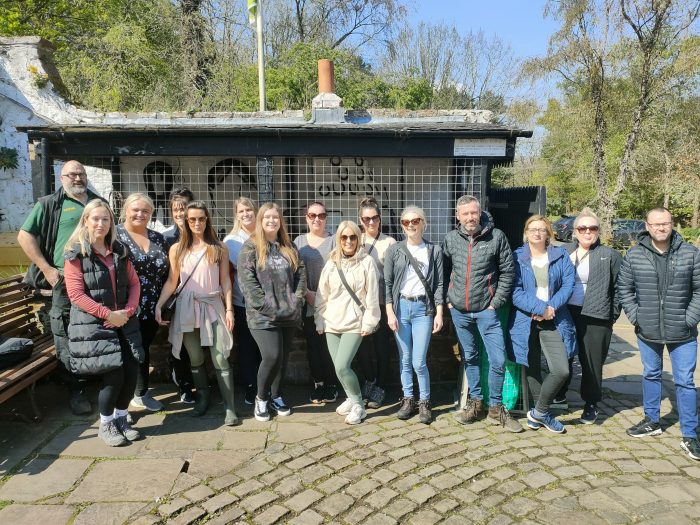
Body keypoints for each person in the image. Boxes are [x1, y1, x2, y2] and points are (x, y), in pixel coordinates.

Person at [17, 160, 106, 415]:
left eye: (82, 174)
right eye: (72, 174)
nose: (78, 178)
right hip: (65, 280)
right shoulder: (49, 204)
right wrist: (46, 268)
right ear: (61, 177)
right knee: (66, 332)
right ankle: (75, 390)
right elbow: (25, 236)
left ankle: (98, 382)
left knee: (95, 330)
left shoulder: (98, 203)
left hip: (96, 277)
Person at [617, 207, 700, 460]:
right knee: (651, 374)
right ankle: (652, 421)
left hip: (683, 332)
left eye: (665, 223)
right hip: (648, 329)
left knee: (685, 381)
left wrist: (690, 319)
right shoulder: (635, 255)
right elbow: (625, 289)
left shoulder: (690, 254)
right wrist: (636, 316)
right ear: (647, 226)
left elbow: (699, 289)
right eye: (656, 224)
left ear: (671, 224)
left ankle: (690, 434)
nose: (661, 228)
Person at [63, 199, 144, 446]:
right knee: (114, 375)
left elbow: (134, 283)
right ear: (86, 221)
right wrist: (109, 315)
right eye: (95, 219)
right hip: (95, 324)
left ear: (111, 223)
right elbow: (76, 295)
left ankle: (121, 419)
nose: (101, 224)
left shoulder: (119, 251)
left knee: (131, 371)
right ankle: (106, 424)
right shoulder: (76, 254)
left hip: (124, 321)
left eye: (105, 219)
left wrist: (127, 311)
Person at [443, 195, 522, 433]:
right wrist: (449, 299)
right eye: (465, 213)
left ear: (480, 213)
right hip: (460, 311)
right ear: (458, 216)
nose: (470, 217)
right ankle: (475, 403)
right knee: (470, 358)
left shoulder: (496, 237)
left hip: (487, 311)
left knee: (498, 360)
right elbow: (445, 269)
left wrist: (495, 302)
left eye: (473, 213)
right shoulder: (451, 239)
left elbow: (508, 272)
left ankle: (496, 408)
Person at [155, 201, 239, 426]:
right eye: (192, 219)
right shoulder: (177, 249)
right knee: (195, 357)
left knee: (220, 356)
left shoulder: (219, 248)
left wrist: (229, 309)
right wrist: (159, 305)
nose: (197, 223)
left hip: (213, 305)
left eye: (201, 218)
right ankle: (203, 398)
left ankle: (230, 406)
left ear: (207, 220)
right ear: (186, 221)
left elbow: (225, 281)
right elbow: (173, 281)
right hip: (187, 308)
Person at [238, 203, 307, 422]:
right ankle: (261, 398)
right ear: (260, 220)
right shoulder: (250, 248)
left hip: (289, 314)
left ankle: (277, 396)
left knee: (283, 359)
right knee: (271, 355)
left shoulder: (288, 246)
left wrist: (296, 301)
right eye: (267, 217)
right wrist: (270, 309)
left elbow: (301, 275)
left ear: (280, 220)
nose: (271, 220)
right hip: (262, 316)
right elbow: (248, 284)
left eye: (275, 217)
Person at [509, 215, 576, 434]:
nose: (537, 233)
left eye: (542, 229)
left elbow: (568, 285)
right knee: (531, 368)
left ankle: (538, 413)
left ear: (548, 233)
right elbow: (515, 291)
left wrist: (549, 309)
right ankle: (542, 413)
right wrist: (539, 309)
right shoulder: (517, 257)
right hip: (526, 320)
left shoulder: (560, 255)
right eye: (533, 229)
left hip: (554, 318)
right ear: (526, 232)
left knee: (561, 369)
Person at [555, 208, 622, 424]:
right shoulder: (563, 251)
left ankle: (591, 403)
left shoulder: (610, 255)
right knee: (563, 355)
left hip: (596, 315)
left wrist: (611, 315)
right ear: (575, 231)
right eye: (582, 228)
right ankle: (559, 393)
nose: (587, 232)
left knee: (591, 363)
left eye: (592, 228)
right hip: (566, 312)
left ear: (598, 231)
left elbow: (619, 289)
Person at [315, 221, 380, 425]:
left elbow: (372, 296)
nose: (349, 241)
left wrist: (369, 322)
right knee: (338, 367)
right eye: (344, 237)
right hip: (332, 323)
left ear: (358, 239)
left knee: (343, 366)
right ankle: (351, 399)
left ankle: (359, 405)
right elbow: (321, 294)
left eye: (352, 237)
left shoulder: (367, 262)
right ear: (338, 239)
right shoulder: (331, 262)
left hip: (354, 322)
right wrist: (320, 319)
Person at [384, 206, 443, 424]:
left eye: (415, 220)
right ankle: (408, 399)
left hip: (423, 310)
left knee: (419, 361)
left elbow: (439, 284)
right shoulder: (394, 250)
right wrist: (389, 311)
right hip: (401, 308)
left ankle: (425, 402)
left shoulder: (434, 250)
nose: (411, 224)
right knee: (405, 359)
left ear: (423, 223)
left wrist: (439, 312)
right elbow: (388, 283)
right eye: (406, 221)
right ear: (402, 225)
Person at [115, 193, 169, 413]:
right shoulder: (114, 235)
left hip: (152, 307)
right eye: (135, 209)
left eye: (146, 211)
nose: (140, 214)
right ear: (126, 210)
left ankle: (141, 393)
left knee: (143, 350)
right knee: (125, 353)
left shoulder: (158, 238)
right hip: (124, 307)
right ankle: (120, 406)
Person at [293, 201, 339, 405]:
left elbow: (340, 271)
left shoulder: (334, 241)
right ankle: (318, 383)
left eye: (321, 215)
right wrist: (306, 294)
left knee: (329, 347)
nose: (317, 219)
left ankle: (332, 384)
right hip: (308, 301)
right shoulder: (299, 241)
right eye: (312, 215)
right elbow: (293, 272)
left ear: (326, 217)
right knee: (312, 346)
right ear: (306, 218)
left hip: (331, 303)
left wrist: (324, 297)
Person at [356, 197, 396, 409]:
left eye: (374, 218)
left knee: (381, 347)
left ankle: (380, 385)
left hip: (380, 303)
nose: (371, 222)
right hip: (360, 304)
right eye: (366, 218)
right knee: (362, 347)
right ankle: (369, 380)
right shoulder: (355, 239)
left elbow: (392, 276)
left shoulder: (389, 242)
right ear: (360, 220)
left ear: (380, 219)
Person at [223, 197, 262, 405]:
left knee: (265, 348)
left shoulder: (264, 232)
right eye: (241, 211)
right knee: (247, 347)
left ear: (255, 211)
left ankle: (265, 388)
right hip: (243, 301)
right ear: (236, 215)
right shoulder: (231, 241)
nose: (246, 214)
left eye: (249, 209)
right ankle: (251, 387)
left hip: (267, 303)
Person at [163, 187, 195, 403]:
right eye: (176, 209)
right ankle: (184, 386)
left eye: (184, 208)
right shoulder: (166, 239)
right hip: (177, 299)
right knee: (179, 344)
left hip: (201, 299)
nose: (180, 213)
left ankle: (201, 383)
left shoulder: (204, 234)